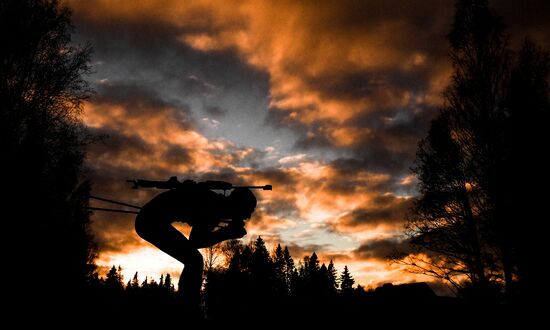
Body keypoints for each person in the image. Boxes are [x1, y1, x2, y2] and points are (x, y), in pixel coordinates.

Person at [134, 179, 257, 314]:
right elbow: (196, 241)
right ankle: (187, 306)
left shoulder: (216, 205)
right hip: (149, 221)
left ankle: (187, 304)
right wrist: (226, 233)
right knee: (194, 260)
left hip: (150, 218)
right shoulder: (214, 207)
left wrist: (226, 232)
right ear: (238, 206)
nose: (247, 216)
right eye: (248, 211)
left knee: (193, 259)